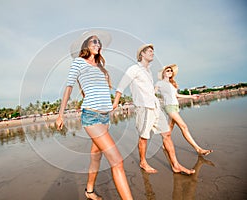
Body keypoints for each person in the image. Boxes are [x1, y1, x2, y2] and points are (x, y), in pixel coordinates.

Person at [56, 31, 133, 200]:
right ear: (86, 46)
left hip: (105, 118)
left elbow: (99, 89)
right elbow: (69, 87)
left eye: (98, 42)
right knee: (117, 161)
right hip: (92, 117)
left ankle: (89, 191)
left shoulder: (100, 67)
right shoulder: (78, 62)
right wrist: (60, 114)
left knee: (96, 157)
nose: (97, 44)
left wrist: (112, 104)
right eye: (93, 42)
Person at [113, 44, 195, 175]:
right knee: (144, 137)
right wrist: (116, 103)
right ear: (142, 55)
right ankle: (143, 162)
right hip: (144, 108)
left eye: (153, 51)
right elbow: (121, 85)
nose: (152, 53)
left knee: (167, 134)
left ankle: (176, 165)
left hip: (155, 106)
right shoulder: (134, 69)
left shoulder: (149, 71)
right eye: (150, 51)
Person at [155, 64, 213, 156]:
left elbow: (177, 95)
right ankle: (198, 149)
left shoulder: (172, 84)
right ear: (163, 73)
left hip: (175, 107)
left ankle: (164, 145)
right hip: (169, 107)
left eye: (171, 71)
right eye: (167, 70)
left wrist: (191, 96)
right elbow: (152, 94)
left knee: (169, 129)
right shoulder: (159, 84)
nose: (170, 72)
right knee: (184, 126)